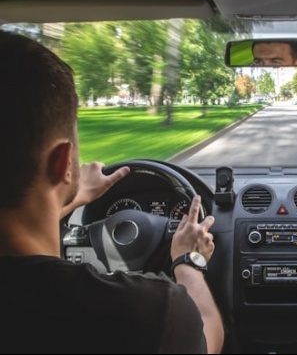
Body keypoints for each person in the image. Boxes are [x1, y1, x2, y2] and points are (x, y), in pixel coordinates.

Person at [0, 30, 224, 354]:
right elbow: (208, 339)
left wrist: (70, 196)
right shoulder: (149, 312)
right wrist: (188, 260)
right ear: (63, 160)